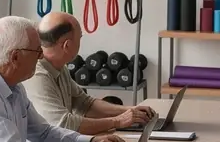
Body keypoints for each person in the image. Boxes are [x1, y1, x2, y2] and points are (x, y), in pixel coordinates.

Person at [0, 16, 127, 142]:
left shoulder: (13, 84)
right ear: (15, 57)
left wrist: (91, 141)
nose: (41, 57)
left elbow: (44, 133)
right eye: (37, 51)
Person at [26, 12, 156, 133]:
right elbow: (62, 124)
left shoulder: (59, 67)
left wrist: (129, 110)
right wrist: (117, 122)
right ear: (67, 46)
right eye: (80, 38)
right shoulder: (37, 75)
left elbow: (84, 104)